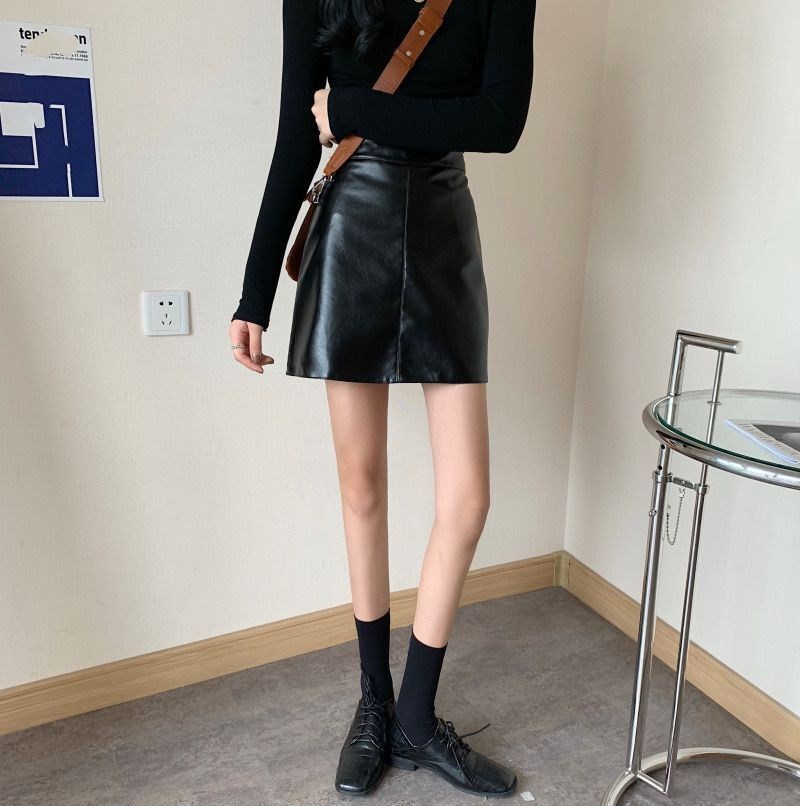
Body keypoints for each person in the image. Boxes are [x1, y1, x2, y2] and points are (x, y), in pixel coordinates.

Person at [229, 0, 536, 798]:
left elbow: (501, 121)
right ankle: (375, 702)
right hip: (353, 220)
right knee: (361, 486)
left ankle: (416, 719)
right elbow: (297, 134)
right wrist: (254, 296)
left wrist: (355, 108)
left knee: (467, 499)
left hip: (443, 222)